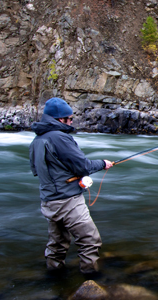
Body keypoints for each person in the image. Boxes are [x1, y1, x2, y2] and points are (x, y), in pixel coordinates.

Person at [29, 97, 114, 275]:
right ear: (60, 120)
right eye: (69, 118)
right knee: (90, 240)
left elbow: (36, 170)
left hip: (48, 201)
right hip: (68, 201)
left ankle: (54, 278)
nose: (72, 121)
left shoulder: (37, 140)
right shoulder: (60, 138)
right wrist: (103, 163)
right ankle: (91, 282)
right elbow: (83, 166)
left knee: (57, 245)